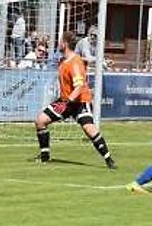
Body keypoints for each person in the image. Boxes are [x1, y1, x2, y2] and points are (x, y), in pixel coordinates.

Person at [33, 31, 117, 169]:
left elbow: (79, 87)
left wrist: (67, 102)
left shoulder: (74, 63)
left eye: (60, 41)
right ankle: (45, 156)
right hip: (65, 100)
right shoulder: (64, 60)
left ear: (65, 44)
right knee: (40, 121)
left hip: (79, 102)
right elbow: (84, 60)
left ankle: (109, 159)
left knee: (89, 129)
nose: (58, 43)